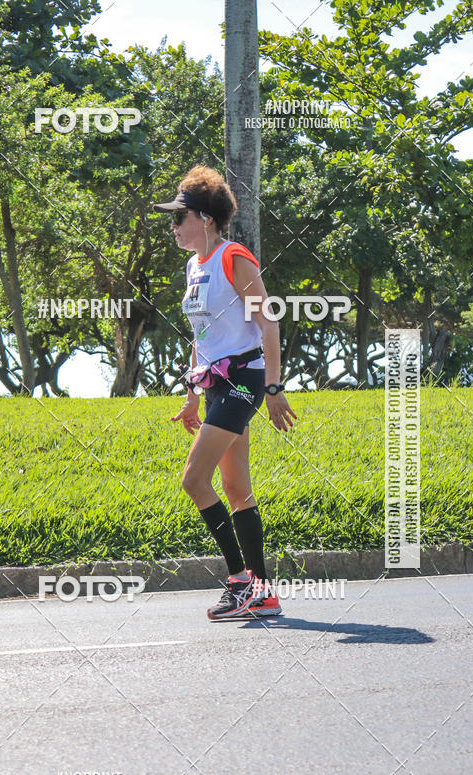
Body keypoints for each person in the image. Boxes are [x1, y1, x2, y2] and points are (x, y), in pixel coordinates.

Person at [153, 165, 296, 620]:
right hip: (215, 384)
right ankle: (263, 594)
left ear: (206, 219)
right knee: (236, 488)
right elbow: (202, 333)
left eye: (179, 217)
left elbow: (267, 322)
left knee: (194, 480)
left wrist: (273, 386)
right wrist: (193, 391)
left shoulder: (235, 257)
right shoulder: (193, 267)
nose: (173, 226)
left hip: (245, 380)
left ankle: (239, 583)